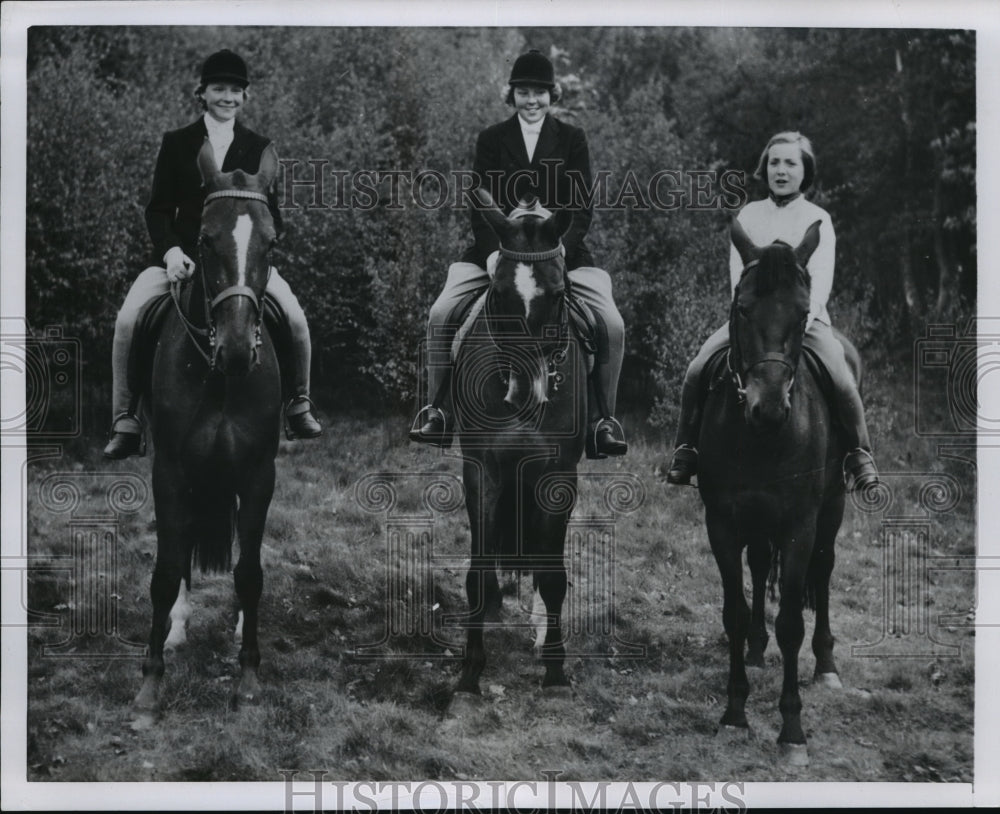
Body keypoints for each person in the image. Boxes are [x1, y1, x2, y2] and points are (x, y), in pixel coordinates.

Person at [103, 49, 321, 459]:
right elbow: (158, 210)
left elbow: (272, 215)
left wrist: (257, 246)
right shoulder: (177, 143)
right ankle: (125, 418)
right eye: (219, 88)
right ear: (202, 93)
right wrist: (169, 253)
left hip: (240, 264)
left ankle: (298, 402)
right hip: (181, 260)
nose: (227, 96)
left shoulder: (259, 146)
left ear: (246, 96)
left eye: (235, 90)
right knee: (128, 319)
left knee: (294, 318)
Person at [410, 49, 627, 459]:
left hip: (562, 255)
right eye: (524, 91)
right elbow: (479, 202)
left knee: (612, 325)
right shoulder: (491, 139)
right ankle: (438, 412)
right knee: (441, 314)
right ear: (511, 94)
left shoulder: (572, 139)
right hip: (497, 254)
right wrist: (494, 255)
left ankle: (603, 419)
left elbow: (581, 207)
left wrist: (560, 250)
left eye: (540, 92)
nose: (532, 100)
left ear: (553, 95)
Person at [665, 131, 879, 490]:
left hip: (803, 323)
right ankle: (686, 449)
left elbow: (820, 283)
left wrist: (798, 322)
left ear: (804, 170)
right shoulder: (749, 214)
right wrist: (749, 317)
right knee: (697, 367)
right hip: (752, 324)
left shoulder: (818, 218)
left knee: (842, 377)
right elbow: (740, 281)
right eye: (774, 162)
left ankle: (860, 453)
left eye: (790, 163)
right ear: (765, 168)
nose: (781, 170)